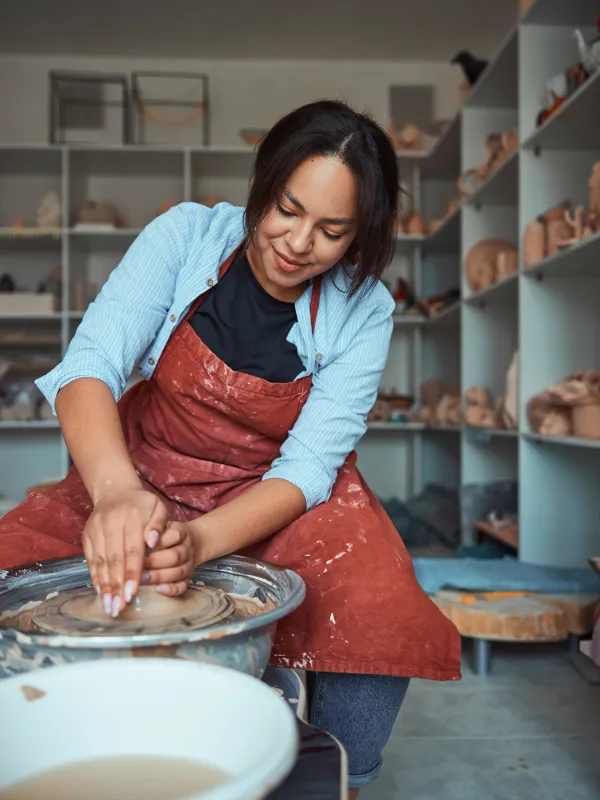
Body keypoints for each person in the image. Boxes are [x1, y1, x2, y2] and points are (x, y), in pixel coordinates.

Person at [0, 100, 460, 796]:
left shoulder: (365, 308)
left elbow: (307, 467)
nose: (299, 243)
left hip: (275, 495)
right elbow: (89, 366)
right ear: (262, 182)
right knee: (16, 567)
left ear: (359, 236)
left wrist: (199, 542)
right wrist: (118, 492)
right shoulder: (183, 238)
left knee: (375, 606)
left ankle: (344, 777)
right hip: (141, 467)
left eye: (331, 231)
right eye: (286, 208)